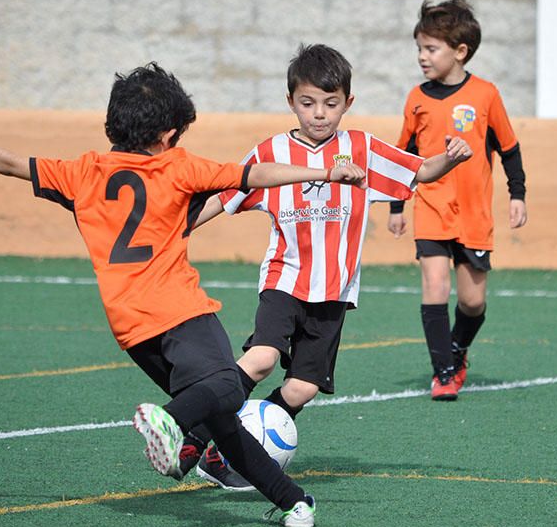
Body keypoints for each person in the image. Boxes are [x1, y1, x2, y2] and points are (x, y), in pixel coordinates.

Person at [0, 62, 369, 527]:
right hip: (180, 312)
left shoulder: (82, 172)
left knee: (224, 417)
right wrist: (325, 172)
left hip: (131, 328)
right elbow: (253, 175)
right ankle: (170, 421)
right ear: (168, 134)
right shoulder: (179, 167)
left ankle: (293, 502)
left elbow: (8, 163)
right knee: (227, 386)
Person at [180, 44, 473, 490]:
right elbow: (223, 197)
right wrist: (173, 232)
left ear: (347, 103)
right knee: (261, 359)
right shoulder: (270, 152)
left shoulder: (362, 149)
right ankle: (192, 436)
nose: (319, 114)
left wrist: (450, 157)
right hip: (285, 279)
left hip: (334, 292)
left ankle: (226, 453)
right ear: (291, 102)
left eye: (331, 104)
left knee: (302, 389)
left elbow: (422, 171)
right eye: (308, 103)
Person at [387, 0, 528, 401]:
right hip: (430, 206)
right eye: (419, 48)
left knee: (472, 301)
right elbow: (405, 156)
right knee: (434, 286)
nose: (422, 57)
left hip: (473, 215)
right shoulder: (416, 98)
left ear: (460, 51)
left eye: (431, 48)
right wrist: (397, 205)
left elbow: (509, 148)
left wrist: (516, 195)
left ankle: (459, 348)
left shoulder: (485, 95)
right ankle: (443, 372)